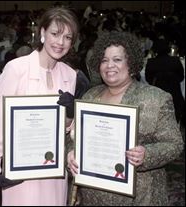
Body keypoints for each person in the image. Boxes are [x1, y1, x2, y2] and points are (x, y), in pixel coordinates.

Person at [60, 31, 184, 205]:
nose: (109, 65)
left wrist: (146, 155)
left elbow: (174, 144)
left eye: (117, 59)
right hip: (93, 196)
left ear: (131, 64)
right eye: (104, 60)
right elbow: (73, 139)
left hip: (139, 197)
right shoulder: (90, 96)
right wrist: (71, 153)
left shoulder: (155, 99)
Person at [0, 7, 79, 206]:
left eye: (68, 37)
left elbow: (66, 128)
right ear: (42, 33)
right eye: (55, 34)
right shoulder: (16, 69)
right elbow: (0, 118)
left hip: (53, 166)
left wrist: (70, 114)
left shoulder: (70, 74)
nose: (60, 43)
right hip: (22, 167)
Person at [145, 39, 185, 125]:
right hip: (175, 99)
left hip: (157, 99)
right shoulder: (175, 61)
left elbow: (148, 80)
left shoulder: (151, 63)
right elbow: (181, 78)